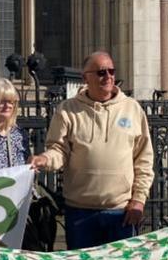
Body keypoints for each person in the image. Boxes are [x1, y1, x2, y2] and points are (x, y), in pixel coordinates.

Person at [30, 51, 154, 249]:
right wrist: (44, 160)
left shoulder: (132, 109)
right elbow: (59, 149)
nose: (108, 77)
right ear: (85, 77)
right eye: (101, 72)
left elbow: (143, 159)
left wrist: (139, 200)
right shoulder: (67, 109)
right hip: (80, 213)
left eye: (111, 71)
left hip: (121, 212)